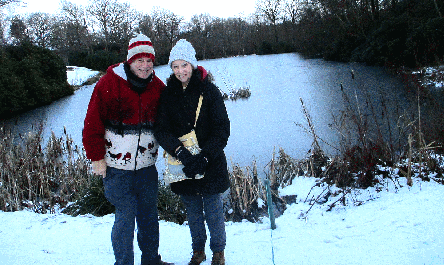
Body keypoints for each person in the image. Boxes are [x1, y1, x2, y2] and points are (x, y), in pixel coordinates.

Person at [82, 33, 173, 265]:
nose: (145, 66)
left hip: (146, 168)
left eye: (149, 60)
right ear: (129, 61)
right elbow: (92, 122)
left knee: (149, 218)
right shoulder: (108, 83)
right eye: (139, 60)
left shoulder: (157, 86)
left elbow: (170, 119)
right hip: (116, 169)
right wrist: (96, 157)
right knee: (125, 218)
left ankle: (151, 260)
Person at [154, 39, 230, 265]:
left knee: (214, 210)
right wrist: (181, 153)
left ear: (193, 65)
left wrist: (206, 156)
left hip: (210, 161)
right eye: (175, 66)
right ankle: (198, 252)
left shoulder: (209, 90)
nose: (180, 71)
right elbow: (161, 129)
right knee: (193, 211)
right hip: (182, 163)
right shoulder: (168, 94)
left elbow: (222, 128)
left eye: (184, 65)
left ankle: (218, 253)